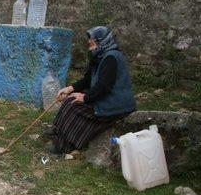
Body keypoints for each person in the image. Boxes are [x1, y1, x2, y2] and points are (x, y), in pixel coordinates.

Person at [47, 26, 137, 155]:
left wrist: (85, 97)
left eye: (93, 42)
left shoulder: (111, 58)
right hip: (105, 97)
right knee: (70, 100)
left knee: (74, 107)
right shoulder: (99, 56)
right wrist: (70, 89)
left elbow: (104, 87)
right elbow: (88, 80)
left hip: (116, 105)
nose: (90, 45)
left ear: (102, 41)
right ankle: (59, 131)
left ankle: (64, 145)